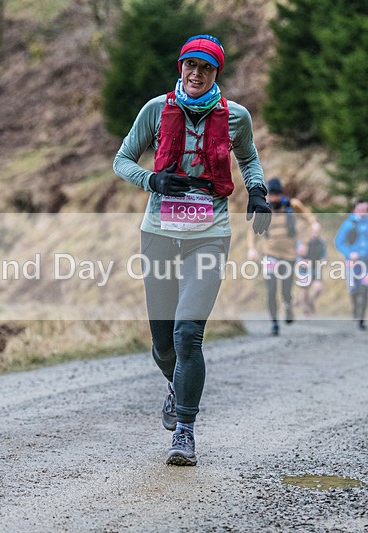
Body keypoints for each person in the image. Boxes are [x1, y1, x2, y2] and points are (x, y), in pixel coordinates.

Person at [113, 34, 271, 466]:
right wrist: (152, 180)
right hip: (160, 233)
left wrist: (257, 193)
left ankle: (185, 431)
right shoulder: (155, 110)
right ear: (180, 68)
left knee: (188, 334)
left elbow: (250, 159)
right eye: (190, 66)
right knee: (164, 344)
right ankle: (173, 382)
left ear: (216, 74)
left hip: (209, 233)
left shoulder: (235, 116)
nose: (196, 74)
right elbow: (122, 160)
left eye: (206, 68)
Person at [246, 177, 315, 336]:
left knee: (286, 289)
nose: (274, 198)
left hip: (289, 255)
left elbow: (310, 221)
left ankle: (288, 306)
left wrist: (305, 242)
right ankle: (274, 323)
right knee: (270, 290)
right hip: (270, 254)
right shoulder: (263, 208)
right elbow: (252, 231)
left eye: (276, 195)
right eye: (271, 195)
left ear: (281, 194)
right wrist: (251, 248)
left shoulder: (293, 205)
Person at [334, 199, 368, 330]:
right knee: (354, 289)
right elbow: (339, 242)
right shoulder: (348, 224)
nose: (363, 212)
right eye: (360, 210)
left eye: (365, 210)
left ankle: (362, 319)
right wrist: (349, 254)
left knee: (365, 289)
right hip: (352, 263)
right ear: (354, 210)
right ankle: (355, 307)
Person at [296, 221, 326, 318]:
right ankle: (305, 310)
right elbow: (296, 256)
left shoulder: (321, 242)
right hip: (304, 269)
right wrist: (301, 262)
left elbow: (323, 256)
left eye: (317, 231)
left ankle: (310, 302)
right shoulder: (301, 242)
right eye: (314, 230)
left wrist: (323, 262)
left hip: (316, 268)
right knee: (304, 291)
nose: (316, 233)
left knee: (318, 289)